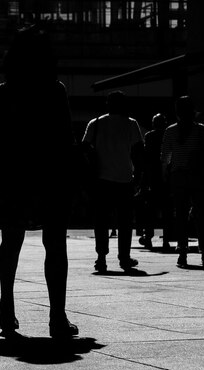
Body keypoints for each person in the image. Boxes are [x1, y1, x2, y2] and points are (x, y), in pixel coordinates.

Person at [0, 25, 78, 340]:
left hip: (11, 175)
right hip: (49, 175)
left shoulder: (2, 93)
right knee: (55, 244)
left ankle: (6, 307)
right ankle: (56, 316)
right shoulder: (55, 91)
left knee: (11, 241)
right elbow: (65, 140)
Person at [82, 90, 143, 273]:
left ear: (107, 104)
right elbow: (139, 152)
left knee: (101, 221)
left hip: (101, 180)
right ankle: (124, 258)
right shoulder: (131, 124)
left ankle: (101, 257)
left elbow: (84, 148)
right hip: (124, 179)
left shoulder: (96, 123)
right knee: (125, 222)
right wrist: (138, 177)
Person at [161, 96, 204, 267]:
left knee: (181, 215)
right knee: (201, 214)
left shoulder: (170, 131)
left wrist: (165, 175)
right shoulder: (201, 130)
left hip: (178, 176)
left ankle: (182, 250)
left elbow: (165, 158)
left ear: (177, 113)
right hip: (197, 177)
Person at [138, 113, 173, 251]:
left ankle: (148, 237)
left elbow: (146, 159)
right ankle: (166, 240)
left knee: (150, 211)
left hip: (152, 178)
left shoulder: (149, 136)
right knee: (166, 211)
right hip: (165, 178)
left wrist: (143, 180)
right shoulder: (168, 135)